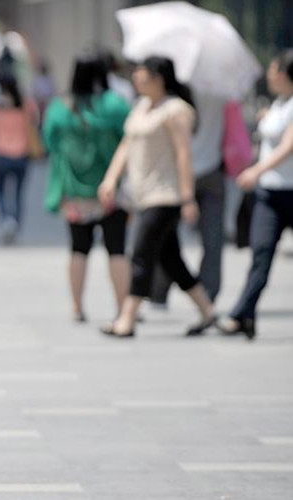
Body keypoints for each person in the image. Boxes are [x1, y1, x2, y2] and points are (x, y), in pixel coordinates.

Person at [98, 56, 216, 337]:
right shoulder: (141, 107)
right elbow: (127, 144)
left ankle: (126, 318)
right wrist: (111, 178)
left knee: (140, 254)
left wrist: (188, 198)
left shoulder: (176, 110)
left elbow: (183, 154)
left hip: (166, 195)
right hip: (142, 194)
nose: (136, 78)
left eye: (142, 74)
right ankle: (208, 311)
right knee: (171, 259)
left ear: (158, 77)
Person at [43, 55, 132, 322]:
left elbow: (49, 142)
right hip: (111, 191)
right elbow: (130, 139)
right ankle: (122, 308)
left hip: (75, 193)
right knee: (117, 249)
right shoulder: (115, 105)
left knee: (78, 249)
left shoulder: (60, 108)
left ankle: (77, 307)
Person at [219, 50, 293, 340]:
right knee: (261, 252)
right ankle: (243, 314)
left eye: (273, 68)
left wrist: (256, 171)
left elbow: (289, 146)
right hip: (270, 195)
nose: (269, 73)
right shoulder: (278, 104)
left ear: (286, 73)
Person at [150, 91, 228, 306]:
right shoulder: (220, 92)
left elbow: (181, 151)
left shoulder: (172, 102)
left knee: (164, 236)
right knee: (212, 239)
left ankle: (158, 291)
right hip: (212, 168)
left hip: (178, 174)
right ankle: (208, 295)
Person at [0, 72, 37, 243]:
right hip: (22, 155)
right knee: (19, 193)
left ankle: (7, 218)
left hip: (3, 154)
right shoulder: (26, 105)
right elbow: (34, 124)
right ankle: (15, 222)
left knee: (0, 191)